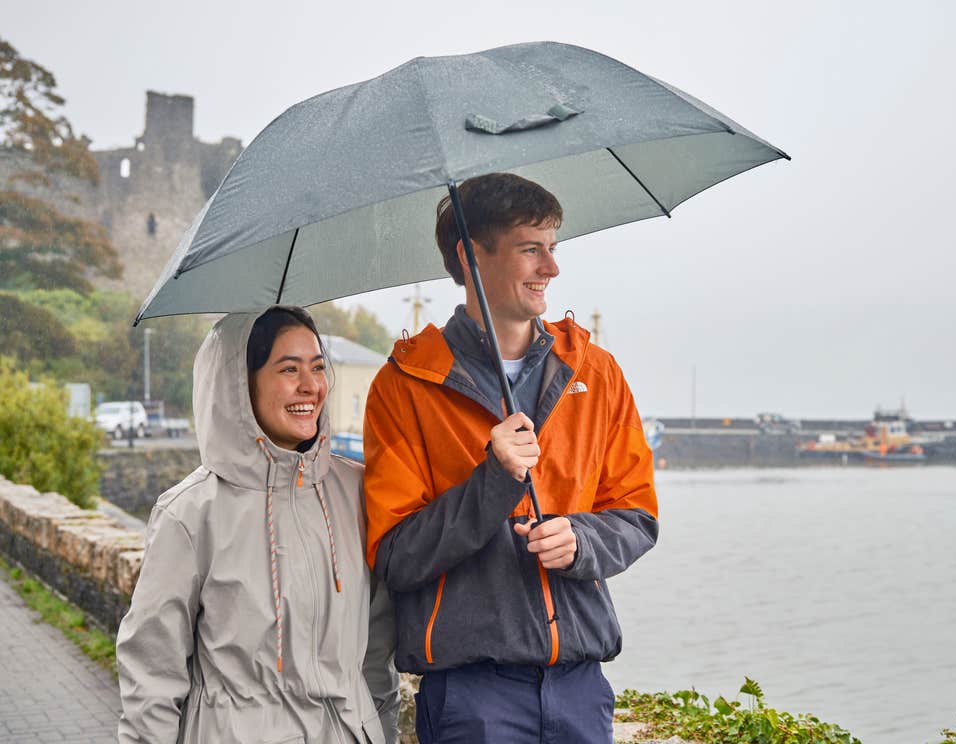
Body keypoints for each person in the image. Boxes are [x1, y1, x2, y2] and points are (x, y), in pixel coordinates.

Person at [363, 173, 659, 743]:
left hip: (581, 689)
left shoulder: (596, 374)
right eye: (531, 249)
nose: (551, 268)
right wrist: (492, 481)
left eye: (553, 248)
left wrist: (582, 541)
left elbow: (637, 516)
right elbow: (395, 556)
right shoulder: (402, 387)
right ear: (472, 257)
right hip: (472, 698)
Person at [117, 306, 400, 743]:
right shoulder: (190, 514)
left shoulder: (357, 492)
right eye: (289, 369)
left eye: (318, 367)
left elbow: (377, 653)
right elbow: (152, 675)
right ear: (239, 385)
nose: (311, 386)